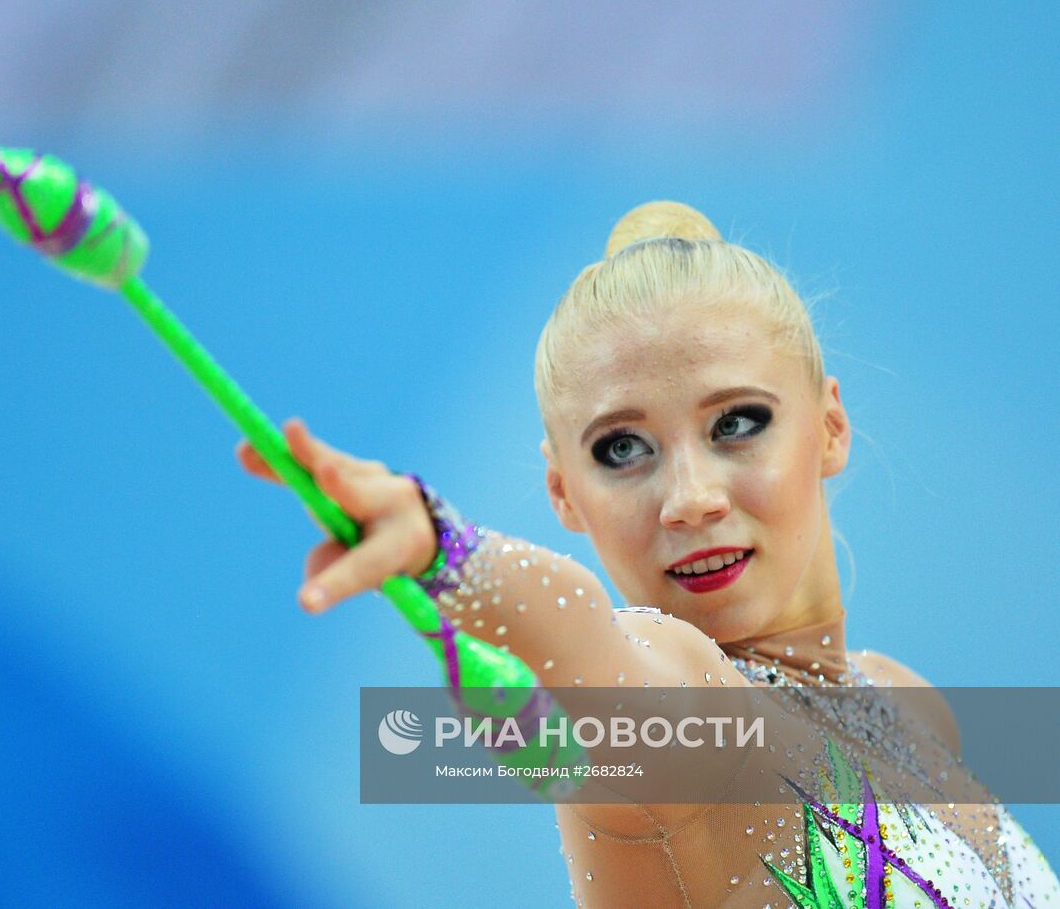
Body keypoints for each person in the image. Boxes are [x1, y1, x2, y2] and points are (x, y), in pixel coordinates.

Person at [236, 202, 1059, 907]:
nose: (689, 497)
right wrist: (445, 549)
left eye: (737, 423)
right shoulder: (694, 710)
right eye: (622, 448)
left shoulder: (913, 706)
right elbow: (588, 647)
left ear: (831, 425)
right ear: (564, 494)